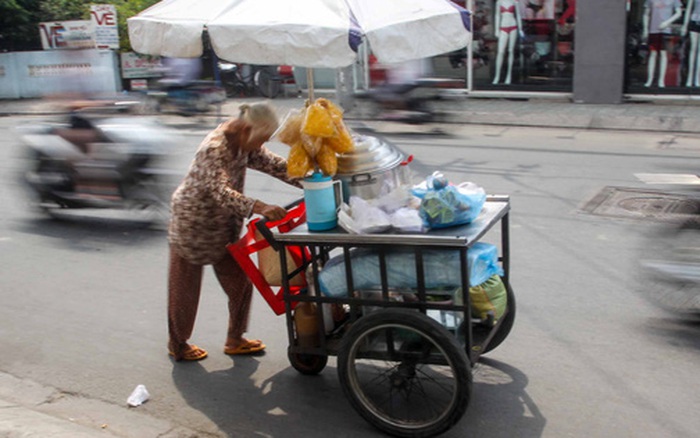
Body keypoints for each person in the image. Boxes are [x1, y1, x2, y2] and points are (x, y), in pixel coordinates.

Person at [167, 102, 300, 361]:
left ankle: (235, 338)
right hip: (193, 223)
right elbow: (220, 191)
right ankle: (178, 344)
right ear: (247, 129)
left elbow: (275, 165)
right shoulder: (214, 148)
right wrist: (259, 206)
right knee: (185, 288)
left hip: (224, 224)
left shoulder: (245, 143)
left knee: (240, 282)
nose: (261, 145)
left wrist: (314, 179)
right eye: (261, 138)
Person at [642, 0, 683, 88]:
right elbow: (646, 14)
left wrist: (667, 23)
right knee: (653, 54)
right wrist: (645, 29)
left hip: (666, 30)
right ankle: (650, 79)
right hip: (653, 30)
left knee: (663, 54)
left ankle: (661, 80)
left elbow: (678, 13)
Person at [492, 0, 524, 85]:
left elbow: (518, 15)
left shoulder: (514, 2)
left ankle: (509, 75)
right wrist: (496, 29)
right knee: (500, 51)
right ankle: (497, 76)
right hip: (503, 27)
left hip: (513, 26)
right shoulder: (499, 2)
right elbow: (497, 15)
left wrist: (520, 29)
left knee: (510, 51)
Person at [683, 0, 700, 87]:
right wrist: (685, 26)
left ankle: (697, 78)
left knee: (699, 53)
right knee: (693, 50)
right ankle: (689, 78)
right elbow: (689, 9)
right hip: (694, 20)